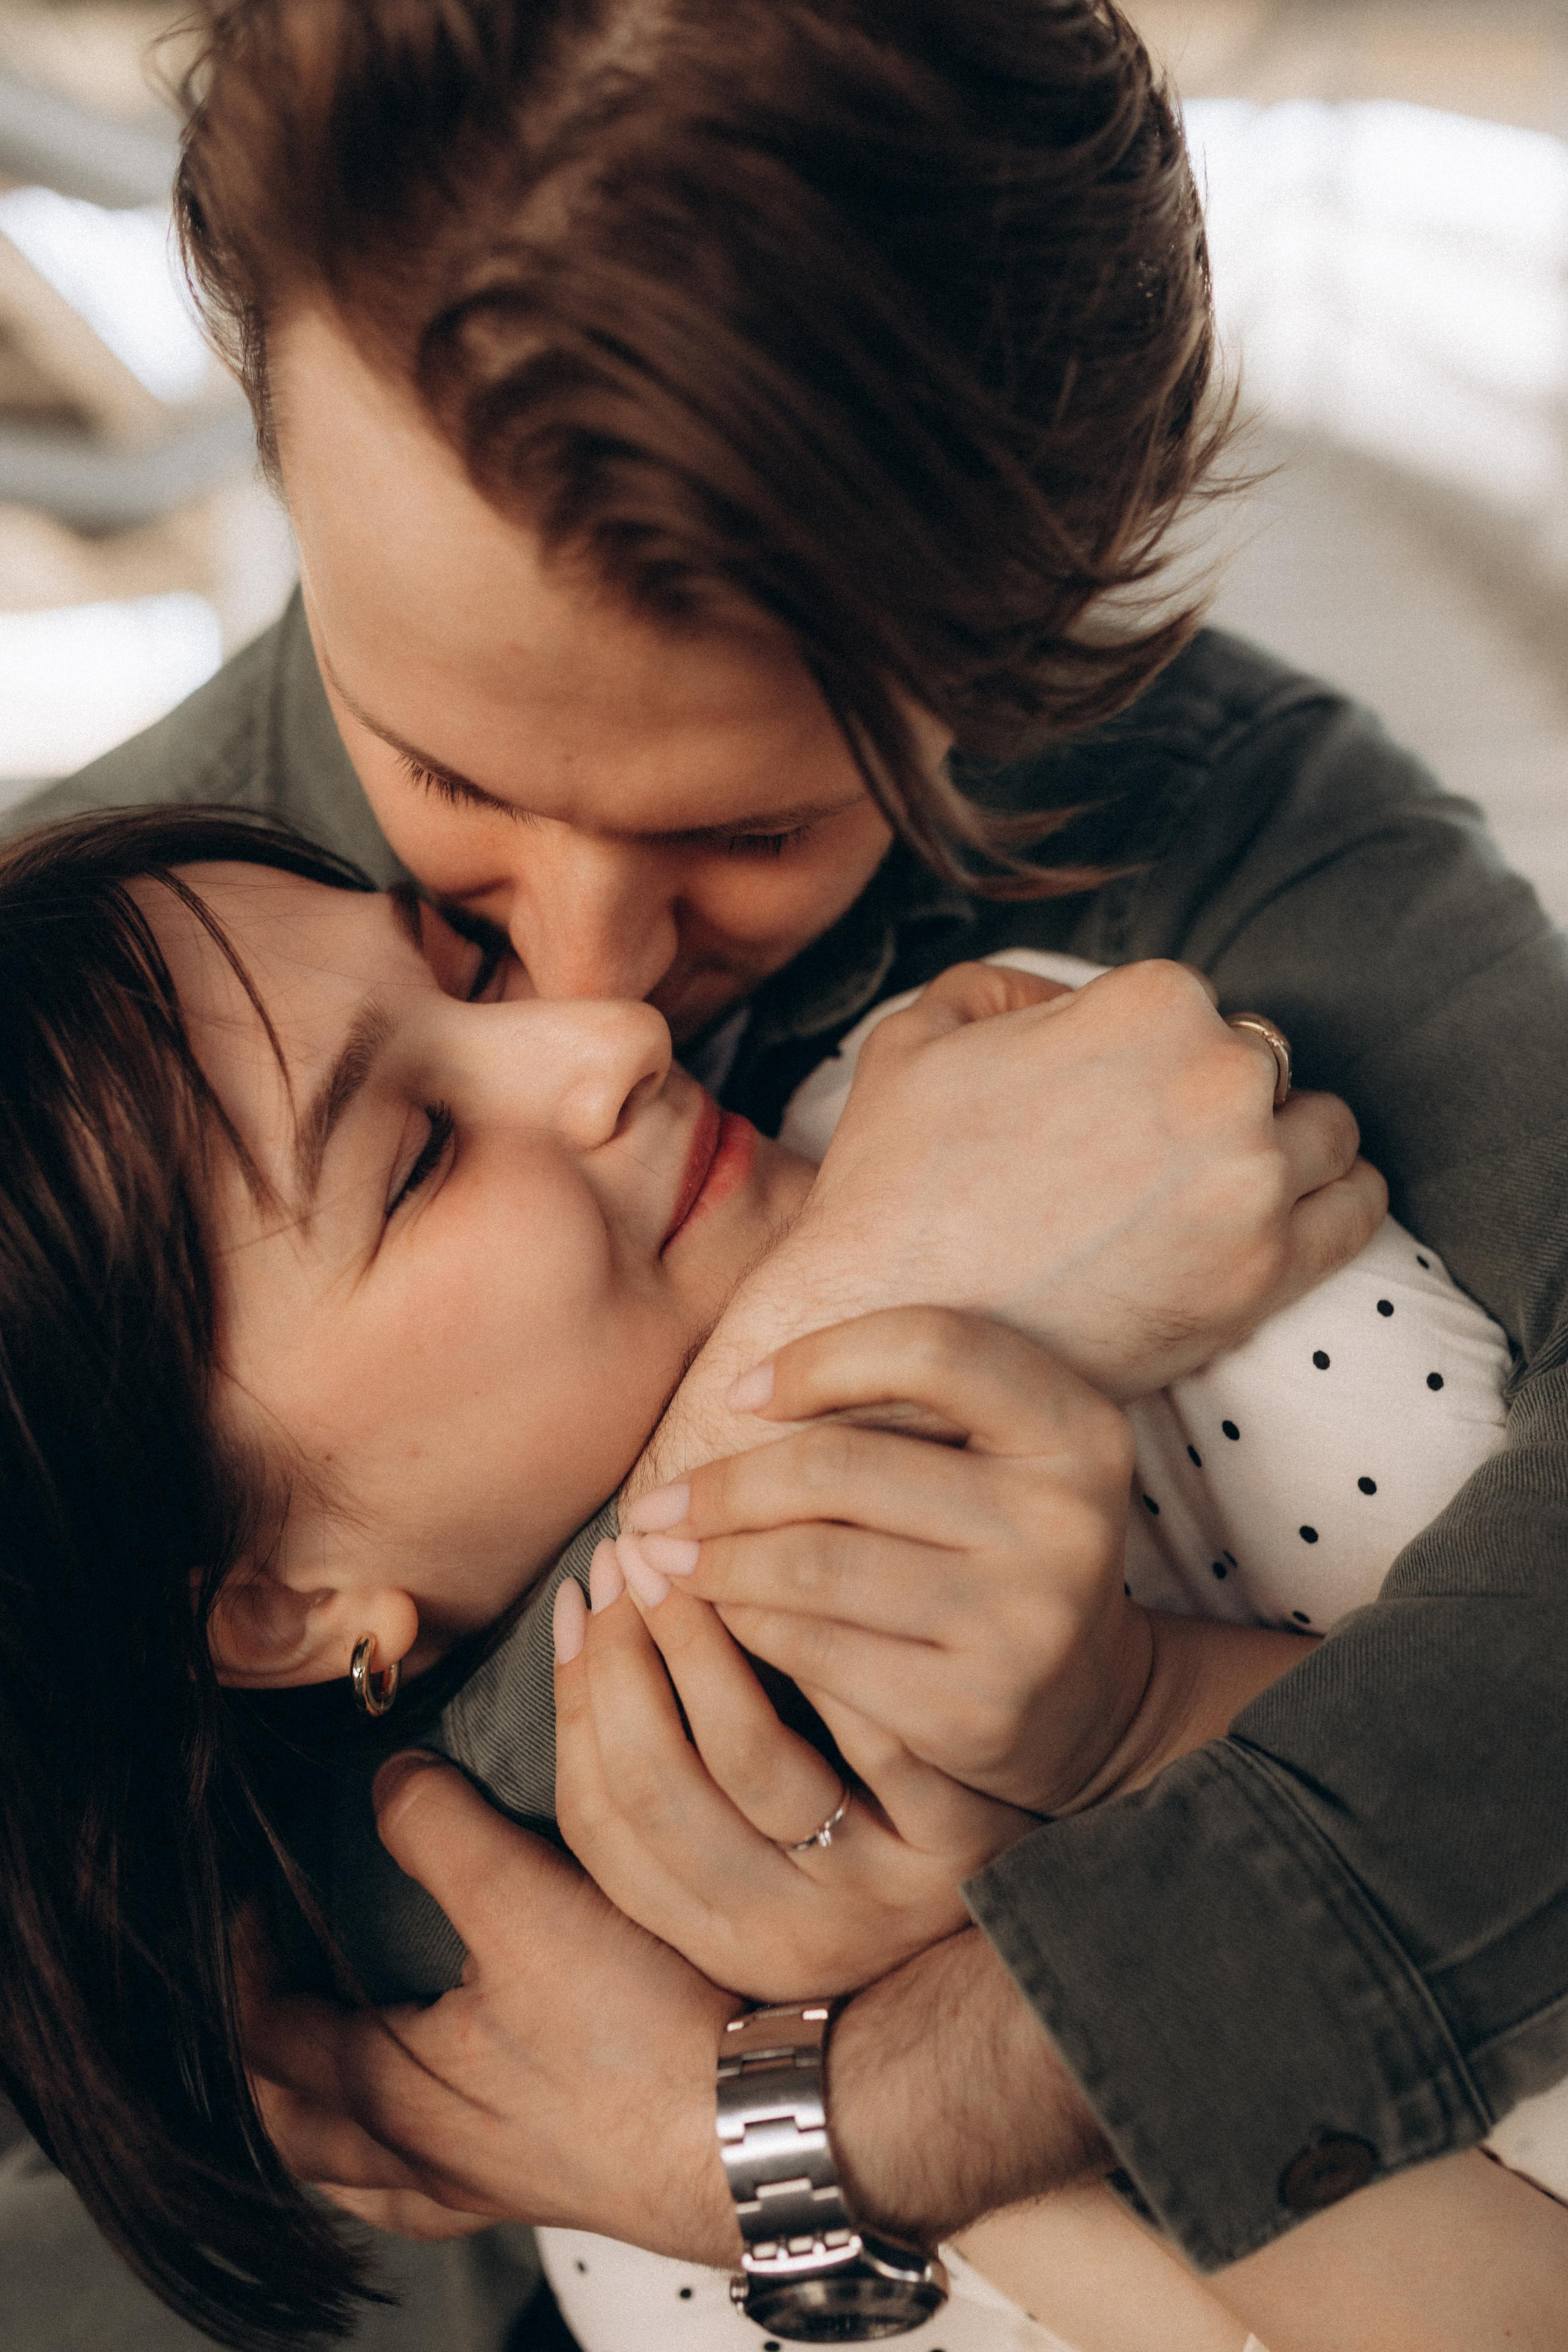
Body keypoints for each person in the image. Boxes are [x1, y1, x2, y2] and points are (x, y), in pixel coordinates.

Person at [6, 0, 1568, 2342]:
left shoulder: (1238, 826)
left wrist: (811, 2128)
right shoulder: (84, 1017)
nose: (602, 997)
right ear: (281, 440)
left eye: (750, 829)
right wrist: (859, 1309)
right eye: (439, 779)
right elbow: (143, 1948)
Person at [0, 809, 1561, 2352]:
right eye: (417, 1159)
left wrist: (1121, 1737)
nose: (601, 1034)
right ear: (276, 1607)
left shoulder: (1057, 1137)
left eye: (468, 974)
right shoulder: (550, 2096)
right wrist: (852, 2069)